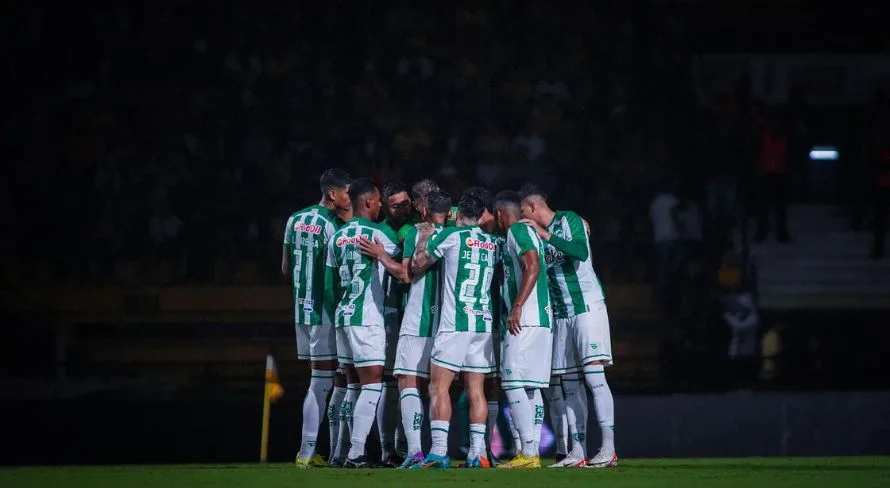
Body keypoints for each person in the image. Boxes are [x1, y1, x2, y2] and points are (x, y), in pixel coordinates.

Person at [519, 183, 617, 468]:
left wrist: (545, 235)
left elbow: (579, 253)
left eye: (524, 210)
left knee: (594, 378)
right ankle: (578, 451)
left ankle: (609, 448)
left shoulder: (569, 220)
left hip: (587, 308)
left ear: (533, 207)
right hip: (562, 315)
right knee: (570, 385)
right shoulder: (535, 235)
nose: (523, 215)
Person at [359, 190, 453, 468]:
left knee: (407, 381)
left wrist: (380, 255)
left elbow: (405, 273)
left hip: (417, 318)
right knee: (438, 388)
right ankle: (447, 450)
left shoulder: (417, 232)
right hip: (446, 323)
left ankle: (413, 451)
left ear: (423, 210)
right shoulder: (456, 235)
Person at [410, 190, 500, 469]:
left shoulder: (450, 237)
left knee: (439, 387)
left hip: (454, 325)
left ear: (457, 214)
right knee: (476, 391)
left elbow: (418, 265)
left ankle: (438, 452)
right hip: (482, 325)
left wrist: (424, 235)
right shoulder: (494, 243)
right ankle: (478, 453)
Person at [323, 178, 405, 468]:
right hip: (367, 317)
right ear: (369, 202)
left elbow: (330, 287)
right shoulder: (376, 234)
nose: (381, 205)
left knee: (351, 385)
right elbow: (403, 270)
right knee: (372, 384)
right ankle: (356, 452)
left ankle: (340, 451)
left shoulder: (337, 236)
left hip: (343, 319)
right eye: (379, 201)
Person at [283, 168, 352, 468]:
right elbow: (336, 271)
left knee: (331, 380)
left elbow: (286, 267)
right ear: (333, 194)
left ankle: (328, 451)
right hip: (326, 309)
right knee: (325, 381)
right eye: (347, 192)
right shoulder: (333, 224)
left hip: (302, 308)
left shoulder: (293, 219)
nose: (350, 198)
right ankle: (308, 451)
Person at [492, 191, 553, 469]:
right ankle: (528, 452)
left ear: (500, 214)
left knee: (512, 381)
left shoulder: (517, 230)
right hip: (540, 318)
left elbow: (533, 266)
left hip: (525, 318)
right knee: (531, 387)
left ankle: (528, 452)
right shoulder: (527, 232)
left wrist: (517, 305)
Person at [377, 181, 416, 465]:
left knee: (411, 385)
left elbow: (448, 211)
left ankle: (405, 445)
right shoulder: (380, 233)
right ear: (385, 208)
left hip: (415, 316)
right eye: (396, 205)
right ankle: (386, 448)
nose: (403, 209)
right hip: (390, 315)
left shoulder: (417, 226)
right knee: (390, 384)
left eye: (406, 203)